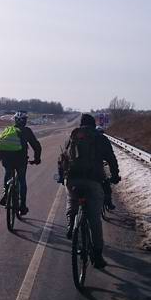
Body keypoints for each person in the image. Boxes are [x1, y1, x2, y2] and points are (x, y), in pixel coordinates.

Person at [62, 114, 120, 269]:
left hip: (73, 179)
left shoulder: (72, 137)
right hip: (93, 181)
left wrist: (63, 177)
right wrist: (115, 176)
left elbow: (63, 159)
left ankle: (70, 225)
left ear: (81, 125)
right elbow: (112, 160)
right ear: (93, 125)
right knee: (94, 218)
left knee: (71, 200)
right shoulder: (100, 138)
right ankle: (97, 255)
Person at [0, 111, 42, 215]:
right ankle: (22, 206)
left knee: (8, 173)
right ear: (25, 121)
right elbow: (36, 146)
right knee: (21, 180)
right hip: (21, 160)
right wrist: (37, 159)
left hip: (6, 159)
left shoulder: (8, 130)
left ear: (14, 120)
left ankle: (6, 194)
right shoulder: (27, 131)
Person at [95, 126, 116, 211]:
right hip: (97, 170)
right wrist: (115, 175)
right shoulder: (103, 140)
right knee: (106, 185)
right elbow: (111, 158)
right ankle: (108, 203)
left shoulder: (82, 140)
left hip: (80, 172)